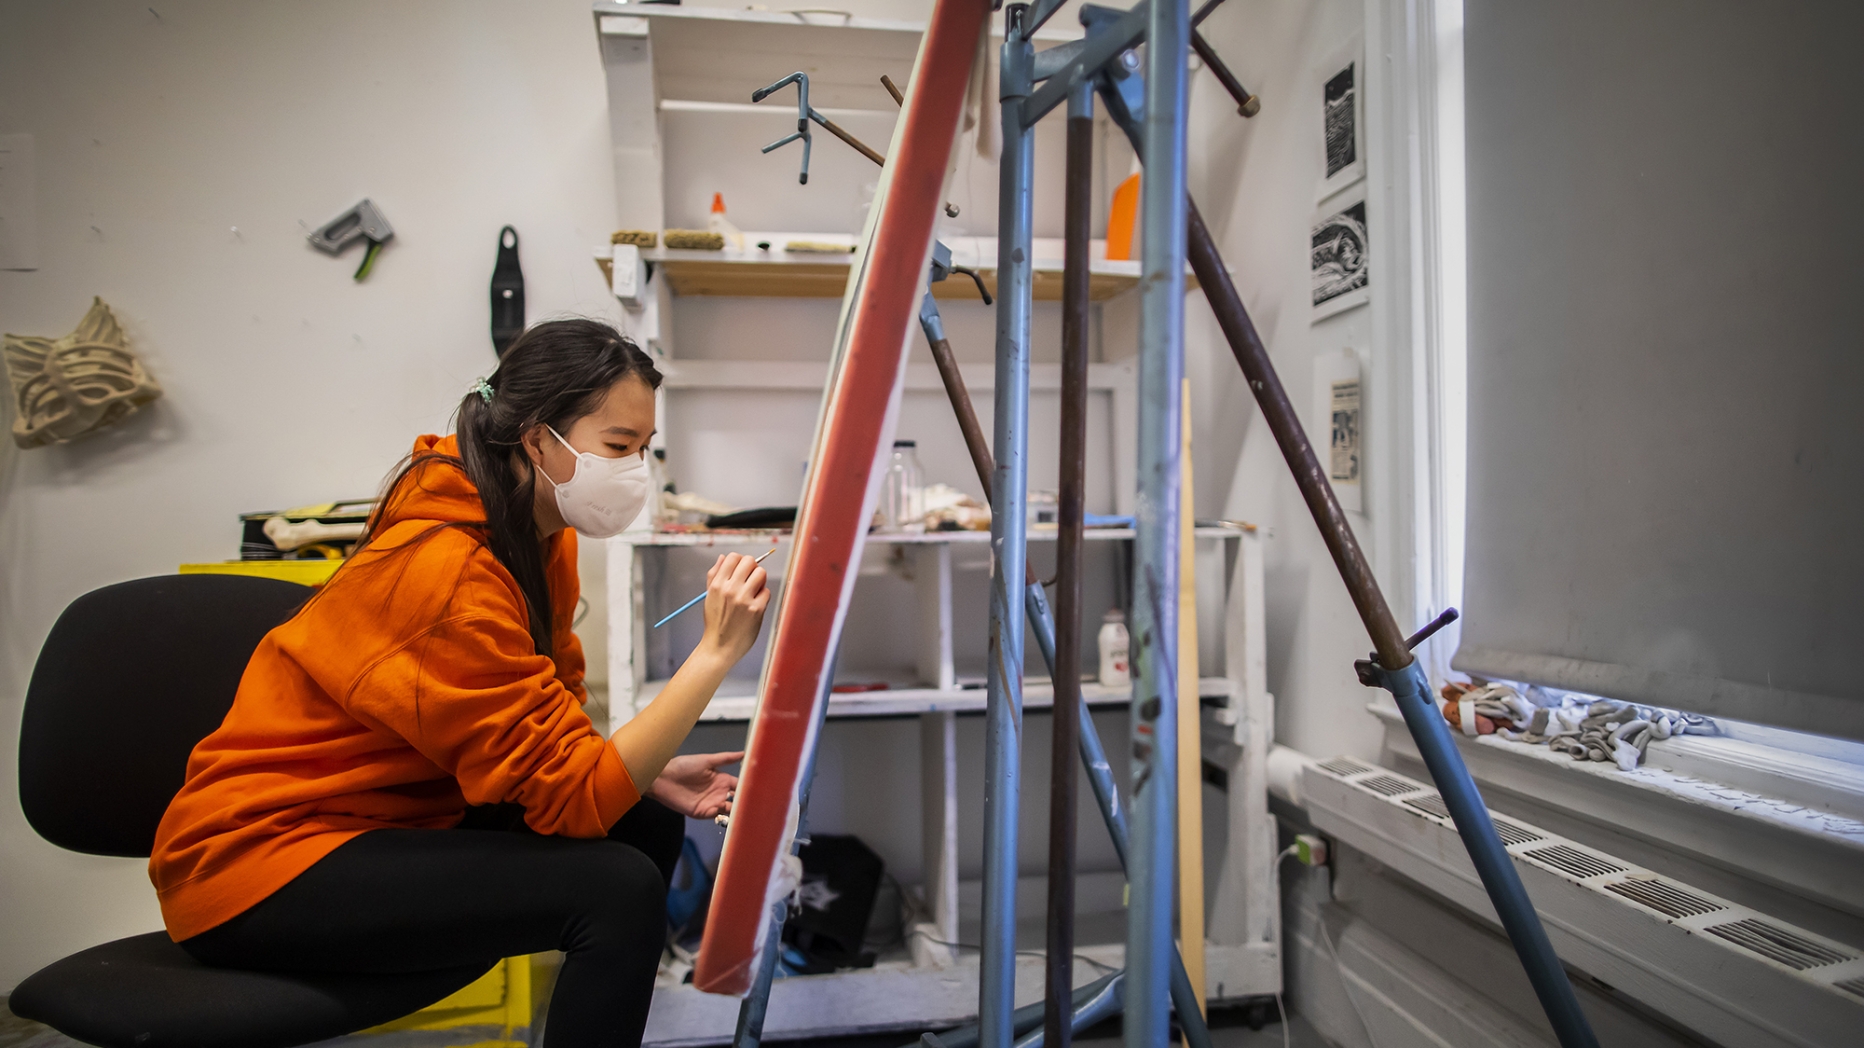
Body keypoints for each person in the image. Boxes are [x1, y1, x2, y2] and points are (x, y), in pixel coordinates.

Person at [149, 319, 770, 1047]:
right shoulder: (443, 572)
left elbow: (547, 725)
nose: (638, 470)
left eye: (645, 448)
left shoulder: (539, 532)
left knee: (645, 820)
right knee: (616, 890)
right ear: (539, 441)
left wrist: (642, 772)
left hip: (388, 819)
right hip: (261, 863)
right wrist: (714, 655)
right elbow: (572, 801)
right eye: (619, 447)